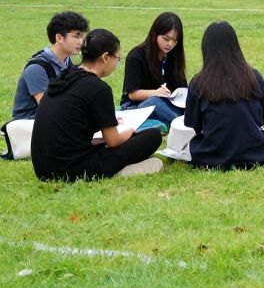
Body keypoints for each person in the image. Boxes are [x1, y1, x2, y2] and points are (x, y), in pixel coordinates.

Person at [31, 29, 163, 181]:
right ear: (106, 57)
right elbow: (113, 141)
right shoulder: (98, 89)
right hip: (71, 169)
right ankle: (122, 171)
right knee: (153, 136)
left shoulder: (65, 77)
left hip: (43, 167)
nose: (116, 64)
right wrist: (129, 132)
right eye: (117, 59)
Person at [184, 21, 264, 170]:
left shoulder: (199, 82)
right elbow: (261, 117)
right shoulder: (254, 77)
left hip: (213, 155)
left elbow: (191, 123)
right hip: (255, 152)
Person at [12, 11, 88, 120]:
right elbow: (48, 108)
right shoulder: (37, 68)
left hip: (51, 120)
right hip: (28, 125)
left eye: (82, 36)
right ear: (59, 38)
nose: (81, 41)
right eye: (77, 36)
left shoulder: (67, 61)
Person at [119, 11, 188, 127]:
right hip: (136, 105)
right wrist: (155, 92)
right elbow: (132, 94)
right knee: (154, 102)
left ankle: (188, 124)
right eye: (166, 39)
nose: (170, 44)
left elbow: (181, 85)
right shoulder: (136, 56)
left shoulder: (174, 55)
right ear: (155, 34)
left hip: (166, 102)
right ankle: (184, 127)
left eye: (175, 41)